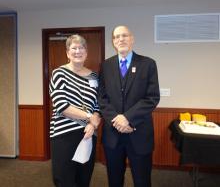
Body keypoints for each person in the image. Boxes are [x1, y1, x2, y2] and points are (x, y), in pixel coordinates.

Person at [98, 25, 160, 187]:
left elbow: (152, 98)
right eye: (117, 37)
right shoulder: (106, 66)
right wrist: (116, 120)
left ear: (132, 39)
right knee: (114, 179)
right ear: (113, 41)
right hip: (113, 134)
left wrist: (127, 118)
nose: (121, 39)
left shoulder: (148, 64)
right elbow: (102, 98)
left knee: (142, 180)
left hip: (139, 133)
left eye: (124, 35)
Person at [49, 34, 101, 187]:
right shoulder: (59, 73)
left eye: (81, 48)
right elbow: (61, 105)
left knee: (84, 178)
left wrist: (92, 124)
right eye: (74, 48)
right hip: (64, 134)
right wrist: (89, 117)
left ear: (86, 52)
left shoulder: (94, 76)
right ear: (67, 53)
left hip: (88, 133)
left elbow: (97, 105)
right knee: (65, 179)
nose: (78, 51)